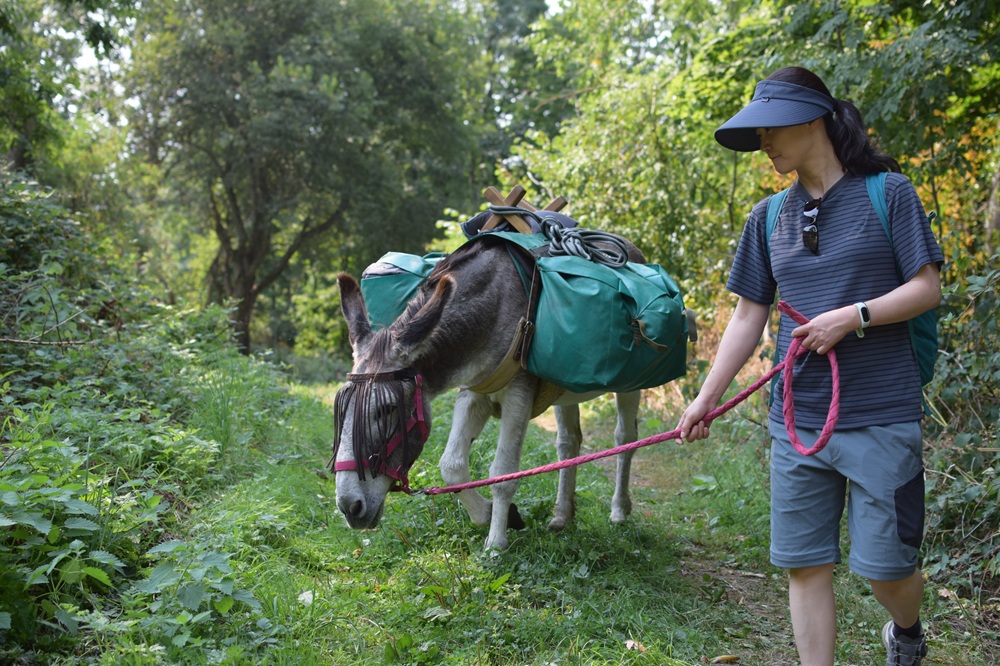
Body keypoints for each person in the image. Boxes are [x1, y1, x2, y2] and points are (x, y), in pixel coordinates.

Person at [676, 66, 943, 666]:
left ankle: (906, 630)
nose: (763, 144)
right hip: (797, 420)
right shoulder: (768, 217)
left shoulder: (888, 193)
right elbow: (748, 317)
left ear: (812, 119)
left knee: (886, 569)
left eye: (770, 130)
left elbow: (926, 288)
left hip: (880, 412)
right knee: (804, 564)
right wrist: (706, 398)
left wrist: (854, 316)